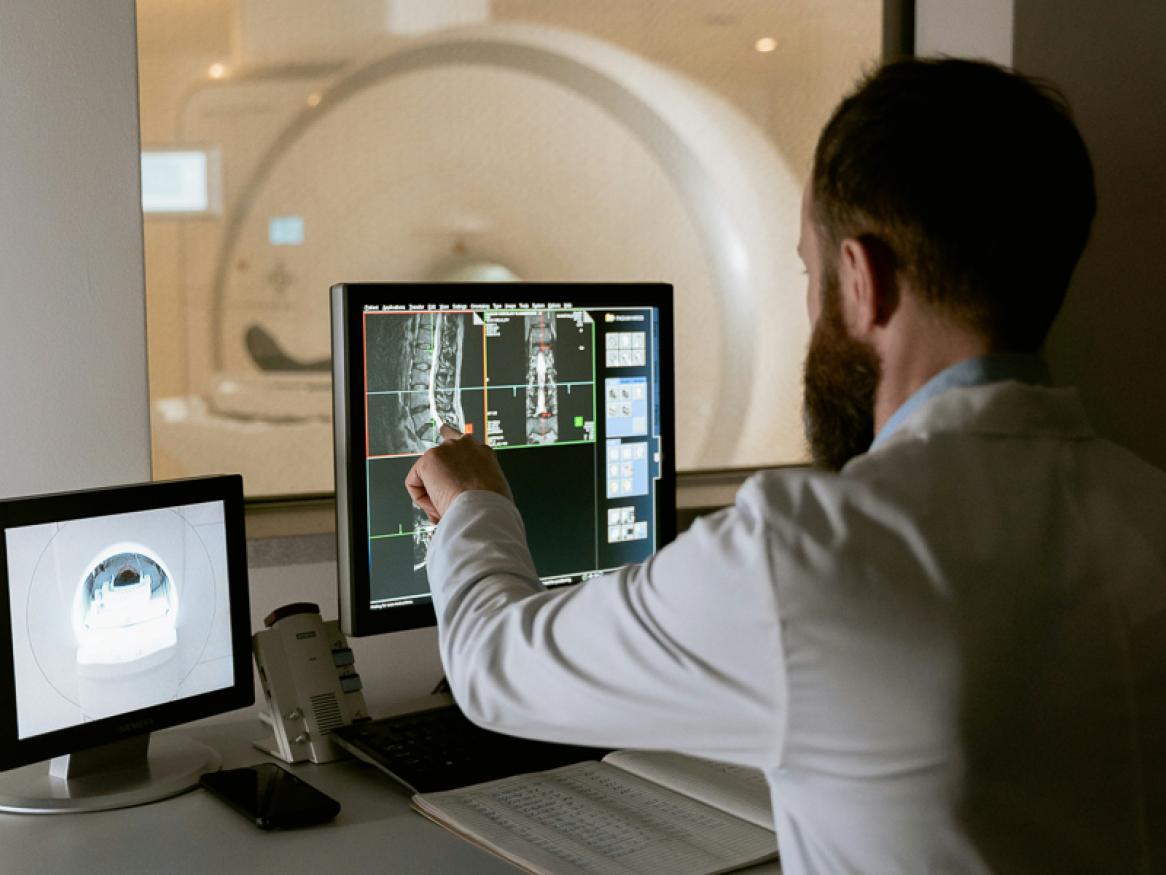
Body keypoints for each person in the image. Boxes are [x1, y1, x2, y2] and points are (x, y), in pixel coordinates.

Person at [405, 58, 1166, 874]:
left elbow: (495, 667)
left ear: (860, 279)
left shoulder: (812, 550)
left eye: (810, 270)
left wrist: (474, 501)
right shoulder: (1145, 504)